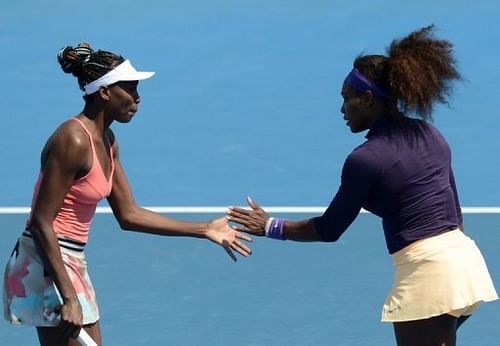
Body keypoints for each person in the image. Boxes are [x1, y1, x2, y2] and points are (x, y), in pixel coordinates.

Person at [227, 26, 498, 346]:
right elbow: (454, 211)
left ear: (367, 99)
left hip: (429, 275)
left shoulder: (365, 160)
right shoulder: (430, 134)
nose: (342, 109)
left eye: (347, 99)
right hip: (466, 264)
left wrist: (270, 226)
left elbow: (329, 229)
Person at [3, 43, 252, 346]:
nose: (137, 98)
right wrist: (68, 296)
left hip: (67, 259)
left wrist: (203, 229)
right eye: (129, 89)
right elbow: (42, 222)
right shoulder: (72, 140)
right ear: (105, 92)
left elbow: (129, 214)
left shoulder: (107, 140)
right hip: (48, 261)